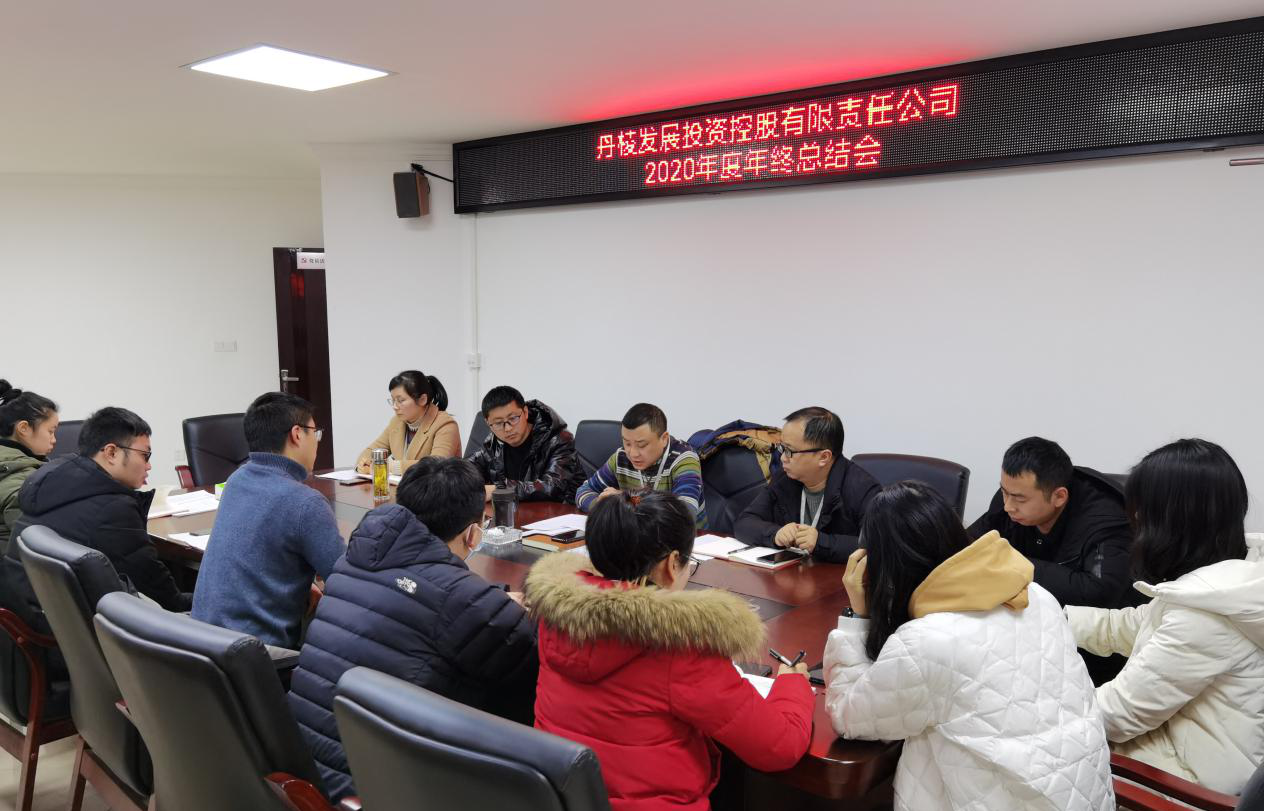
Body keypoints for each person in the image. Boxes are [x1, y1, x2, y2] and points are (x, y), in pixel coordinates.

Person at [824, 481, 1113, 811]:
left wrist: (857, 617)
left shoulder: (929, 641)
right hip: (1084, 797)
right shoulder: (1037, 596)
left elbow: (848, 716)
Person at [528, 491, 813, 811]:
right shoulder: (679, 646)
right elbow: (779, 747)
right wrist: (793, 683)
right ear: (671, 564)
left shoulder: (556, 616)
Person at [288, 457, 538, 801]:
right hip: (375, 791)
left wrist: (491, 598)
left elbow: (419, 591)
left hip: (304, 775)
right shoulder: (464, 601)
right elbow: (530, 665)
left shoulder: (353, 559)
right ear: (473, 534)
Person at [1066, 439, 1263, 795]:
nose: (1135, 524)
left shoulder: (1205, 614)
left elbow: (1117, 714)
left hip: (1188, 782)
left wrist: (1040, 707)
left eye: (1142, 514)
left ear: (1173, 520)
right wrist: (1055, 617)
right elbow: (1132, 626)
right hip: (1179, 744)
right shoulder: (1229, 579)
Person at [192, 392, 344, 649]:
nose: (317, 442)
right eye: (315, 433)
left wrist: (302, 582)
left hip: (203, 643)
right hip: (256, 656)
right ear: (297, 434)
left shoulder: (237, 479)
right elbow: (346, 581)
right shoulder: (306, 503)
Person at [6, 406, 190, 611]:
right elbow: (159, 590)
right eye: (145, 455)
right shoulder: (112, 508)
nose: (149, 466)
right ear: (111, 452)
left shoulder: (55, 478)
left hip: (31, 610)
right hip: (67, 621)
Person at [967, 437, 1132, 608]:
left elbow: (1099, 593)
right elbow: (967, 546)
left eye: (1020, 499)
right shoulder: (1012, 496)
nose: (1008, 506)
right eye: (1004, 492)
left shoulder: (1105, 522)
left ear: (1059, 497)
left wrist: (1013, 564)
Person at [735, 407, 879, 563]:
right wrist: (775, 534)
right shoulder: (785, 478)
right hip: (792, 574)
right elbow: (744, 522)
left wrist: (821, 543)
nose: (782, 458)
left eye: (789, 451)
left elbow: (877, 547)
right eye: (782, 448)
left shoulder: (863, 490)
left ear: (823, 457)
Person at [574, 403, 706, 528]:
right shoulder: (621, 457)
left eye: (642, 445)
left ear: (664, 439)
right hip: (635, 535)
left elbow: (684, 514)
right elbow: (583, 491)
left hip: (684, 539)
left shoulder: (685, 459)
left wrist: (628, 500)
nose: (633, 453)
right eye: (627, 443)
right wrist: (599, 504)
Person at [465, 385, 586, 503]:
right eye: (498, 423)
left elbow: (552, 487)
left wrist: (500, 489)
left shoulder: (559, 440)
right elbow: (465, 471)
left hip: (564, 511)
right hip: (517, 511)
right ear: (488, 423)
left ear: (526, 412)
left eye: (513, 418)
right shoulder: (494, 443)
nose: (507, 428)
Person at [355, 370, 459, 474]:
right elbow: (371, 451)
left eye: (401, 401)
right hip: (404, 484)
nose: (395, 407)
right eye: (393, 400)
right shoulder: (397, 422)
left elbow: (436, 466)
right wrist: (363, 464)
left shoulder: (445, 424)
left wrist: (388, 467)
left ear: (422, 400)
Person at [0, 381, 59, 555]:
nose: (54, 440)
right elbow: (40, 546)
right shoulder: (22, 481)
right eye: (51, 431)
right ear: (24, 428)